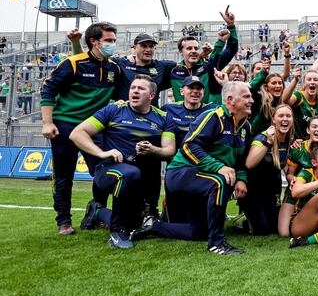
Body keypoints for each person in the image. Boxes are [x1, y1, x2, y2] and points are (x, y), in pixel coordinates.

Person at [132, 81, 253, 255]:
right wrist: (219, 167)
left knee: (201, 231)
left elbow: (241, 159)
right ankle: (217, 244)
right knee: (221, 181)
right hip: (180, 172)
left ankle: (154, 226)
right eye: (246, 96)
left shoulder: (246, 126)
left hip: (203, 177)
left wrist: (241, 178)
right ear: (230, 99)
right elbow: (189, 146)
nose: (252, 100)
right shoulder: (213, 117)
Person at [70, 75, 175, 248]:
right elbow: (77, 133)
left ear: (152, 95)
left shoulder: (164, 118)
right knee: (129, 173)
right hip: (109, 170)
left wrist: (153, 150)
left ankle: (97, 212)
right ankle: (118, 232)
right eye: (133, 87)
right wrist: (102, 153)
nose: (135, 91)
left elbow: (169, 151)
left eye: (141, 89)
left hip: (141, 178)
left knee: (137, 223)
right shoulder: (113, 110)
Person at [40, 22, 122, 235]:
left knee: (104, 172)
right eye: (108, 40)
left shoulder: (115, 68)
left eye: (114, 40)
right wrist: (48, 123)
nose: (112, 44)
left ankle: (97, 211)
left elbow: (120, 99)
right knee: (64, 176)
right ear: (94, 42)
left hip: (94, 128)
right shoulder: (72, 64)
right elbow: (48, 91)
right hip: (65, 126)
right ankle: (64, 221)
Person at [243, 104, 294, 236]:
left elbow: (286, 167)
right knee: (262, 230)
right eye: (281, 116)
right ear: (273, 120)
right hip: (254, 189)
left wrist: (292, 178)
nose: (285, 119)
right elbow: (249, 163)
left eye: (288, 116)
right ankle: (242, 220)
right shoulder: (263, 137)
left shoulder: (289, 140)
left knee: (274, 228)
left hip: (272, 188)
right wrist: (268, 143)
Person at [169, 6, 238, 103]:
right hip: (180, 116)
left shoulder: (207, 67)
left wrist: (231, 26)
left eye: (196, 48)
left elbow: (231, 50)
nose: (193, 51)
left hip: (203, 116)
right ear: (180, 52)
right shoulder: (172, 70)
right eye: (189, 48)